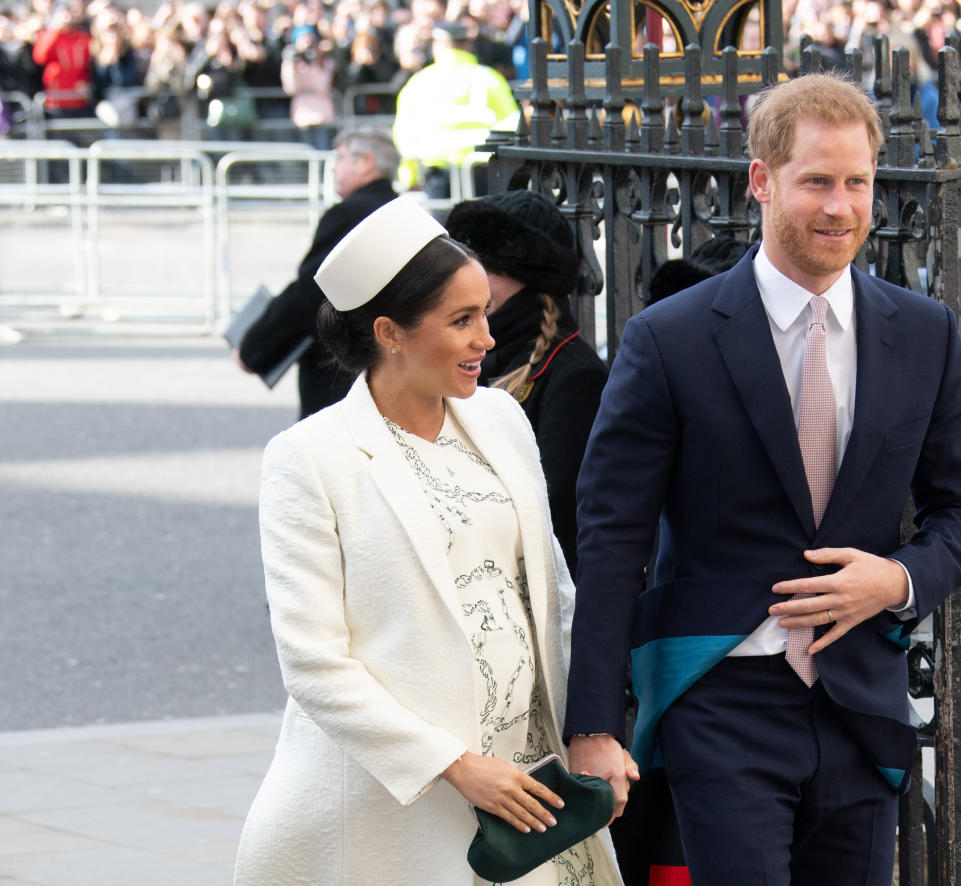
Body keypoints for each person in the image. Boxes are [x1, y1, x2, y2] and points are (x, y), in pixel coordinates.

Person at [563, 72, 961, 885]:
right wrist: (592, 723)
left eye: (858, 183)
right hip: (720, 698)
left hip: (861, 701)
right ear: (762, 181)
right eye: (817, 183)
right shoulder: (669, 339)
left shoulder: (925, 334)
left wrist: (898, 579)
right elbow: (612, 537)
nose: (841, 208)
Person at [233, 193, 625, 885]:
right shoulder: (309, 457)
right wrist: (458, 768)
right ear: (390, 332)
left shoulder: (501, 419)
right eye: (462, 319)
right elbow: (313, 663)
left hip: (531, 796)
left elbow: (553, 596)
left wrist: (593, 731)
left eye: (484, 312)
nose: (486, 335)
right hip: (394, 810)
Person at [444, 189, 608, 575]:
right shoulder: (474, 355)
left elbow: (551, 513)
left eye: (482, 264)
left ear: (524, 275)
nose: (465, 278)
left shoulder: (574, 375)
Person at [235, 127, 397, 418]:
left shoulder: (347, 215)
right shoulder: (405, 212)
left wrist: (253, 349)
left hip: (340, 370)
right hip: (393, 365)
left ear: (366, 161)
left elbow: (310, 293)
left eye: (341, 157)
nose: (334, 166)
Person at [391, 19, 519, 198]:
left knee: (438, 226)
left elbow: (405, 136)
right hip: (483, 177)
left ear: (437, 46)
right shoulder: (489, 79)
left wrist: (409, 177)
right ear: (467, 45)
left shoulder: (419, 83)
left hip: (437, 178)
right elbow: (512, 124)